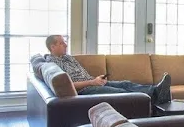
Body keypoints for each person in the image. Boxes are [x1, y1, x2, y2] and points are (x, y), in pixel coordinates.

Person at [43, 35, 171, 103]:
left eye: (64, 41)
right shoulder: (53, 64)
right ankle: (155, 99)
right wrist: (92, 82)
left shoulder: (67, 57)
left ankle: (156, 91)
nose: (65, 44)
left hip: (92, 82)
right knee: (121, 92)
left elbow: (81, 75)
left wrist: (96, 79)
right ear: (52, 47)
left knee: (126, 83)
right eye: (61, 43)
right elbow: (69, 85)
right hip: (85, 89)